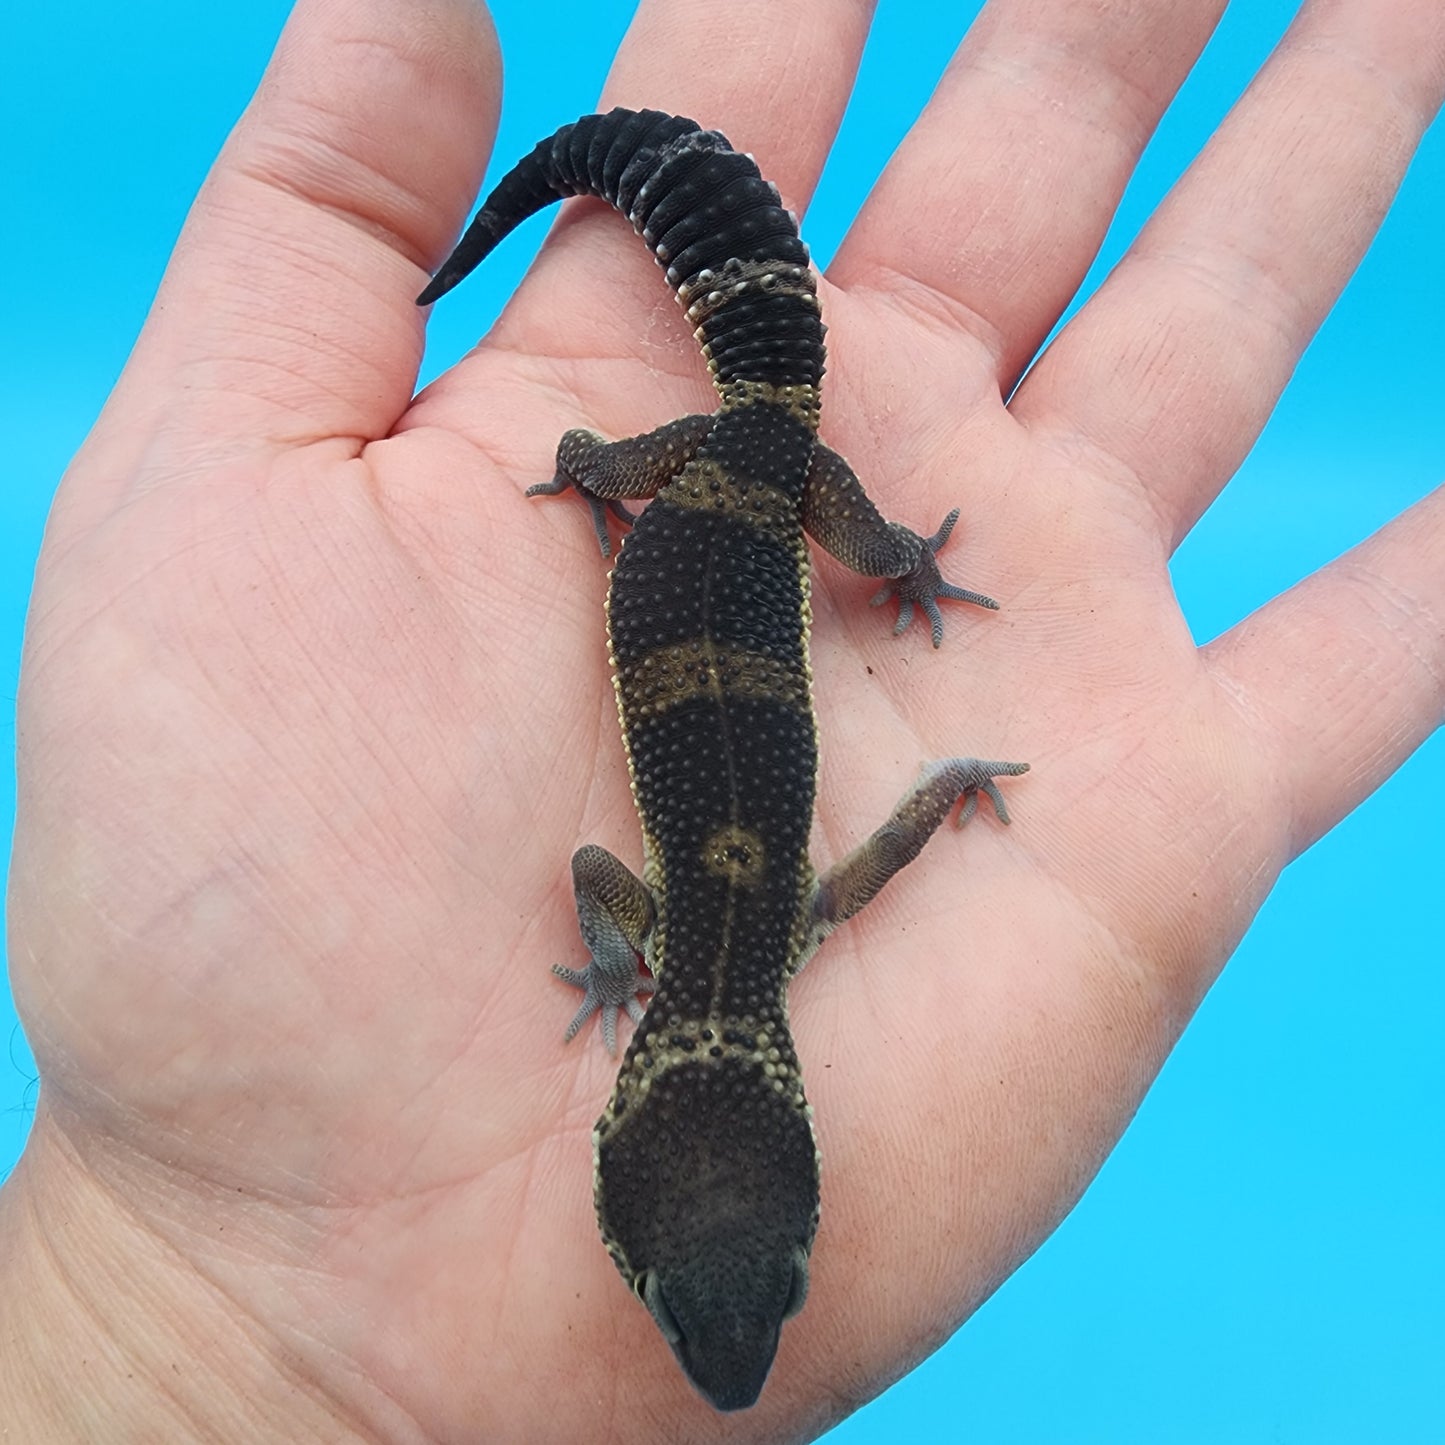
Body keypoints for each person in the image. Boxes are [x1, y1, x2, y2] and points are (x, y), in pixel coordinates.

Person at [2, 0, 1440, 1437]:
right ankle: (605, 456)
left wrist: (953, 779)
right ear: (776, 1139)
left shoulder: (805, 919)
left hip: (733, 478)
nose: (727, 1369)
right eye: (776, 1279)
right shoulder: (685, 926)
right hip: (732, 473)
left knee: (768, 507)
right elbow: (596, 880)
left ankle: (605, 450)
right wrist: (623, 957)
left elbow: (904, 823)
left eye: (670, 1292)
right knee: (789, 510)